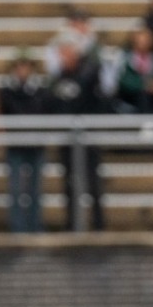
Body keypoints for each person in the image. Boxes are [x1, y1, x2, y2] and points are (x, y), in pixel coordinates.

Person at [45, 36, 109, 232]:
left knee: (93, 184)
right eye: (62, 53)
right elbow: (52, 106)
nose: (65, 57)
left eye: (69, 52)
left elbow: (97, 95)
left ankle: (99, 226)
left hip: (87, 138)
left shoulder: (88, 73)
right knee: (70, 185)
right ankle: (71, 226)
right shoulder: (57, 80)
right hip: (67, 140)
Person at [0, 50, 49, 233]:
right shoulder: (7, 91)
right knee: (16, 190)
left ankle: (35, 226)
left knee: (35, 190)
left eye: (25, 66)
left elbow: (42, 113)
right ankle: (17, 228)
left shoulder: (40, 91)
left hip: (35, 145)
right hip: (16, 146)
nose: (22, 70)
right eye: (19, 66)